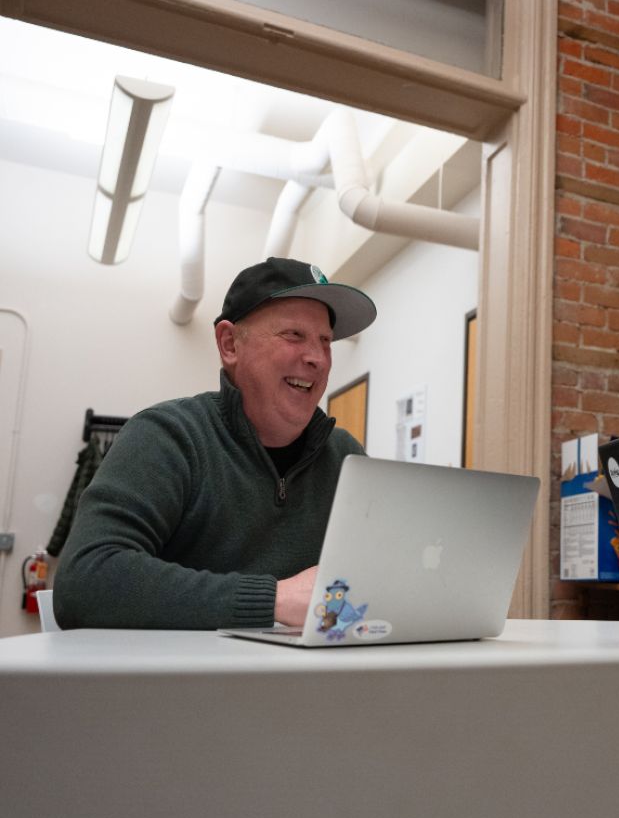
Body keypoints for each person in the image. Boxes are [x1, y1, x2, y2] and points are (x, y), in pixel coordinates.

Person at [54, 257, 377, 630]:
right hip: (186, 685)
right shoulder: (167, 438)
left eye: (325, 341)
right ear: (229, 345)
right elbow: (84, 580)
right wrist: (273, 599)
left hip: (316, 683)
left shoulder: (345, 457)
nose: (317, 358)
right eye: (294, 335)